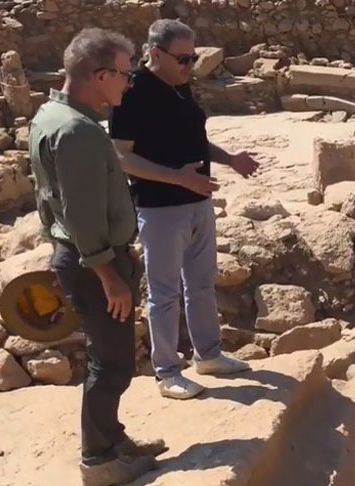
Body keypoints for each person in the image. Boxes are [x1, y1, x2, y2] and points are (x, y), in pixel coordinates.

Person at [30, 28, 167, 486]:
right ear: (101, 74)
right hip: (94, 264)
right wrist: (110, 276)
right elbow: (82, 215)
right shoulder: (77, 132)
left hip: (87, 257)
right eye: (126, 75)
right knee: (110, 365)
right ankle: (99, 459)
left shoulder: (54, 115)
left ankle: (113, 440)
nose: (129, 84)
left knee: (109, 360)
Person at [109, 18, 260, 400]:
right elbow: (121, 158)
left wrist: (230, 159)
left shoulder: (180, 86)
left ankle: (208, 355)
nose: (190, 65)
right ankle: (167, 372)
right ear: (155, 54)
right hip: (161, 209)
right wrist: (179, 178)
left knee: (203, 283)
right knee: (164, 292)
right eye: (183, 58)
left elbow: (195, 140)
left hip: (198, 202)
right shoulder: (133, 92)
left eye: (194, 58)